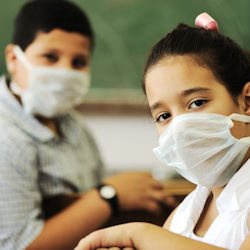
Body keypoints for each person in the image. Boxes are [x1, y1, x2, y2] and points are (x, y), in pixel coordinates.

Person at [0, 0, 175, 249]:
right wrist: (109, 196)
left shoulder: (74, 126)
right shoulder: (5, 136)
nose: (65, 72)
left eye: (78, 62)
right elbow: (14, 245)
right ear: (13, 59)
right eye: (50, 57)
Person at [74, 13, 250, 250]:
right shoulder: (185, 214)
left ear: (247, 101)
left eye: (197, 102)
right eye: (164, 116)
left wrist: (138, 233)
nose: (180, 128)